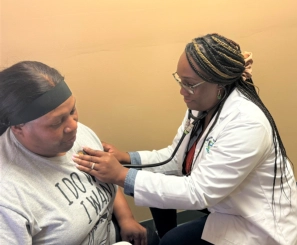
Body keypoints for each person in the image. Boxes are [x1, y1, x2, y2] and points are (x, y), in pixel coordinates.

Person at [73, 33, 297, 245]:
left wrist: (121, 176)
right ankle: (167, 234)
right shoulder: (202, 107)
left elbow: (198, 193)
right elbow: (173, 159)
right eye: (180, 81)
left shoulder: (247, 124)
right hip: (223, 199)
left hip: (256, 219)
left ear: (220, 84)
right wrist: (126, 158)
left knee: (172, 240)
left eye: (189, 84)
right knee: (155, 187)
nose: (182, 91)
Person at [0, 61, 160, 245]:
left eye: (72, 110)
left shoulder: (78, 134)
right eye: (56, 122)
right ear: (18, 128)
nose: (74, 125)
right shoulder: (8, 197)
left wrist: (126, 219)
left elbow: (105, 177)